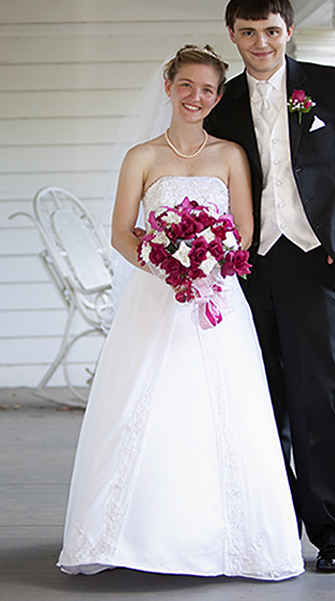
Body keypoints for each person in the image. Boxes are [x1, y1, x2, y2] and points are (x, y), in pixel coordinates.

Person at [57, 45, 304, 580]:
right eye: (187, 86)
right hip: (157, 295)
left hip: (217, 298)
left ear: (218, 97)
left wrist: (210, 260)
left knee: (224, 408)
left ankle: (228, 541)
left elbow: (244, 230)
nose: (197, 97)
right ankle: (129, 536)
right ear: (169, 86)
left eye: (208, 89)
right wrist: (165, 263)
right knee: (146, 406)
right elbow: (123, 232)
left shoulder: (231, 155)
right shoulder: (141, 157)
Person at [205, 0, 335, 574]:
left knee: (320, 399)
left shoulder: (330, 85)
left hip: (316, 263)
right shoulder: (224, 103)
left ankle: (333, 532)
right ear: (233, 36)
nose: (260, 43)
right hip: (250, 265)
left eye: (270, 30)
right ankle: (276, 524)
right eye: (247, 32)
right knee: (263, 400)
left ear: (288, 30)